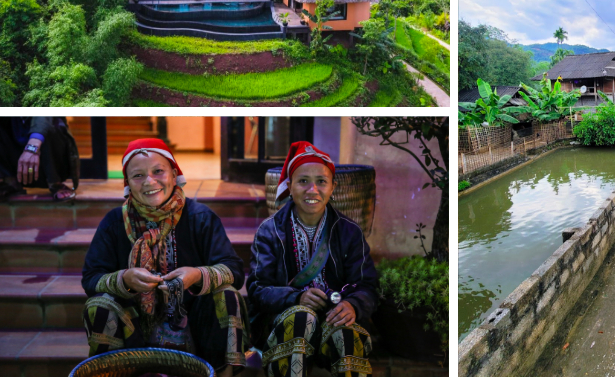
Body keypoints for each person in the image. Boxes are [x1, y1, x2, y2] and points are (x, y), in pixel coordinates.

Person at [81, 139, 249, 376]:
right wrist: (125, 279)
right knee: (99, 305)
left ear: (174, 173)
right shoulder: (114, 222)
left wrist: (198, 275)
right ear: (127, 183)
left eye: (158, 171)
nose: (150, 181)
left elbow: (234, 270)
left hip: (194, 322)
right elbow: (91, 278)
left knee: (227, 295)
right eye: (138, 175)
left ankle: (221, 372)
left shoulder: (200, 217)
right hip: (135, 325)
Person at [247, 141, 377, 377]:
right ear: (290, 186)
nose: (312, 190)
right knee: (300, 319)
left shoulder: (349, 232)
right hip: (283, 321)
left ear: (332, 187)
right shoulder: (269, 231)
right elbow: (257, 288)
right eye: (303, 181)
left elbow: (366, 284)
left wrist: (353, 305)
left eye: (321, 182)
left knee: (346, 334)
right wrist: (297, 297)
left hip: (333, 318)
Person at [0, 117, 78, 200]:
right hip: (21, 169)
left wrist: (32, 148)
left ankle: (55, 183)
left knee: (49, 125)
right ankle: (11, 182)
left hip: (47, 161)